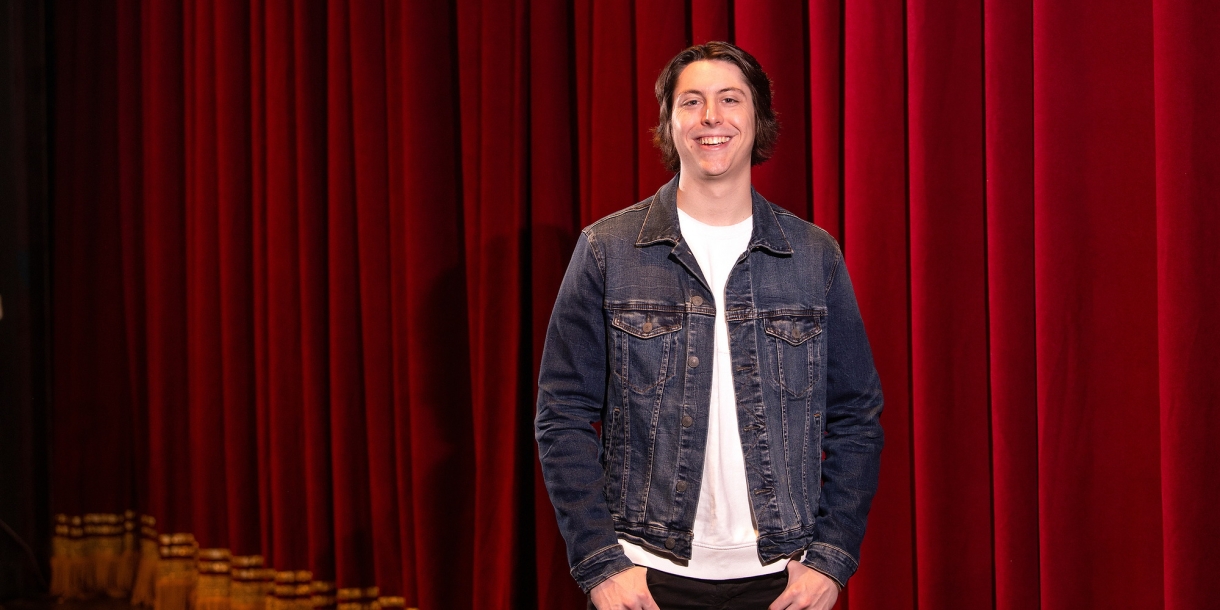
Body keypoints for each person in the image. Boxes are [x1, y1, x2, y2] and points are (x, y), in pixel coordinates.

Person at [535, 41, 884, 610]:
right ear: (670, 124)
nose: (711, 118)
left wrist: (830, 559)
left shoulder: (813, 255)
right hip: (644, 576)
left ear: (757, 119)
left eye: (730, 99)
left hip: (782, 579)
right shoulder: (608, 250)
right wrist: (603, 565)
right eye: (691, 101)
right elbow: (562, 417)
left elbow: (857, 419)